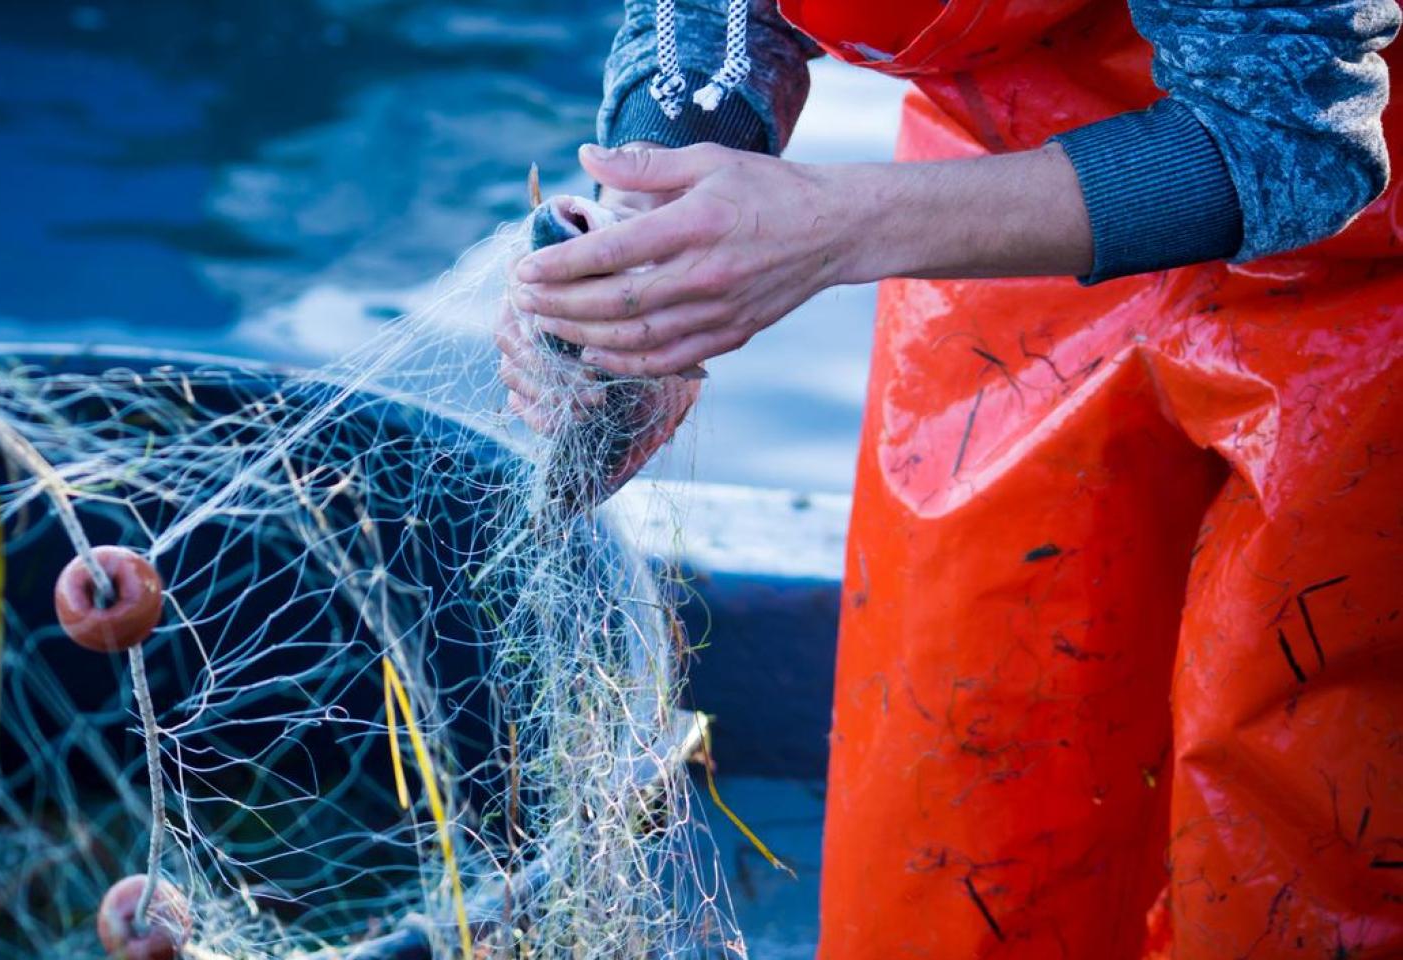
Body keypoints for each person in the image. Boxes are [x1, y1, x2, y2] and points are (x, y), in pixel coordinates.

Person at [495, 0, 1403, 955]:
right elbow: (714, 18)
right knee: (955, 819)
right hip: (993, 219)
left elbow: (1291, 136)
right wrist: (652, 239)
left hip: (1355, 288)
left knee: (1297, 844)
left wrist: (835, 232)